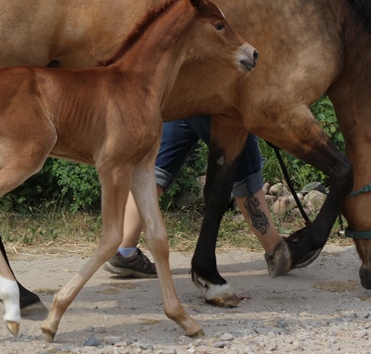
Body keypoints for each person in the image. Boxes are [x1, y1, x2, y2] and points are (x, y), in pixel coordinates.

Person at [103, 115, 317, 278]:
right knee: (240, 158)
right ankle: (277, 251)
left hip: (183, 89)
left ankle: (122, 250)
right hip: (214, 89)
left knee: (158, 167)